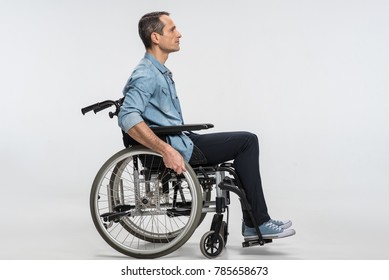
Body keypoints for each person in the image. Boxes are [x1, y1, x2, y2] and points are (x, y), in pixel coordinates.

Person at [118, 11, 296, 240]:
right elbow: (128, 117)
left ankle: (257, 221)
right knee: (247, 142)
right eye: (172, 30)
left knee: (244, 141)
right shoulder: (146, 74)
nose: (179, 34)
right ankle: (257, 223)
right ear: (155, 37)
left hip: (183, 139)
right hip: (180, 147)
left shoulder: (158, 71)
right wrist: (167, 150)